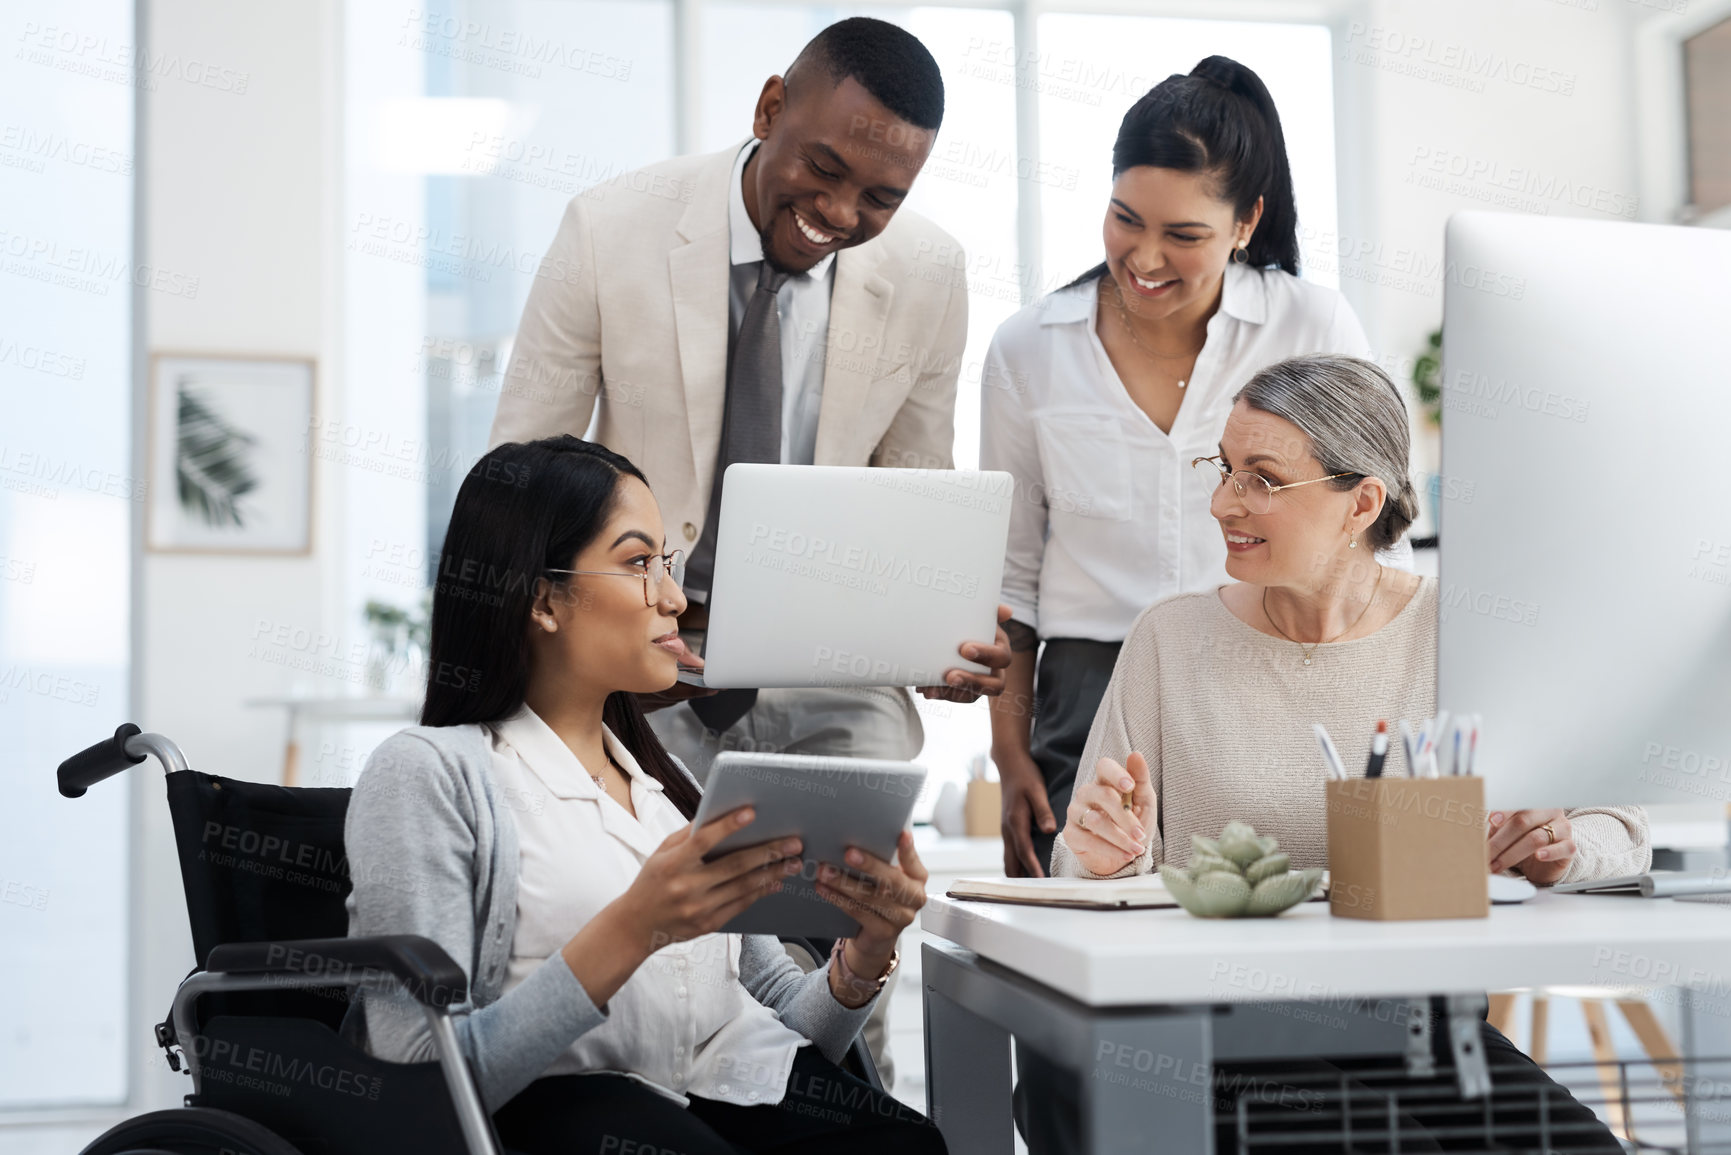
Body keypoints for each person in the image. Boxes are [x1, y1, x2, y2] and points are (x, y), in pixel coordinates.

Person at [1024, 354, 1645, 1153]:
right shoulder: (1168, 638)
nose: (1221, 503)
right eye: (1223, 469)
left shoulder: (1464, 631)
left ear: (1361, 502)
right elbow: (1082, 864)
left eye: (1260, 479)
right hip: (1215, 1026)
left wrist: (1559, 847)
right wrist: (1104, 856)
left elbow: (1620, 824)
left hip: (1420, 1032)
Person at [342, 436, 945, 1155]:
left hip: (717, 1097)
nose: (673, 595)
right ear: (543, 599)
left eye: (666, 562)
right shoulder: (431, 773)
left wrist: (865, 952)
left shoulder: (670, 796)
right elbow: (415, 1076)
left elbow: (787, 1023)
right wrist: (635, 926)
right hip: (562, 1115)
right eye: (637, 562)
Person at [490, 16, 1009, 792]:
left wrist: (936, 635)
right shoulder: (609, 229)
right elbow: (520, 480)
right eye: (824, 168)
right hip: (646, 668)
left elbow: (912, 492)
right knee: (660, 910)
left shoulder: (930, 271)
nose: (838, 212)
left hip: (836, 673)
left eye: (878, 197)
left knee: (856, 906)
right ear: (769, 110)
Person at [981, 56, 1408, 879]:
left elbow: (1370, 530)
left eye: (1183, 236)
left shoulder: (1309, 322)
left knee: (1275, 935)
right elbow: (1010, 575)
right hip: (1088, 692)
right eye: (1123, 218)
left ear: (1246, 221)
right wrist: (1010, 756)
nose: (1143, 258)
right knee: (1093, 953)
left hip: (1275, 669)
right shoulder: (1028, 348)